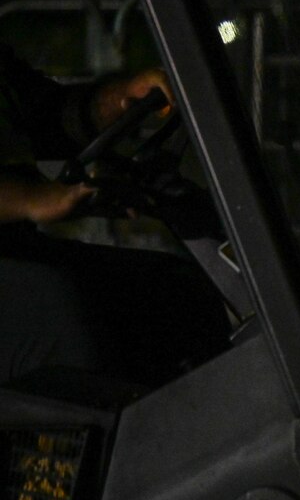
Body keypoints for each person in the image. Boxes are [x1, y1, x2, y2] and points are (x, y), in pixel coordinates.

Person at [0, 44, 224, 384]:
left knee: (174, 291)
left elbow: (51, 113)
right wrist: (34, 199)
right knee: (59, 312)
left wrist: (122, 97)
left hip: (19, 251)